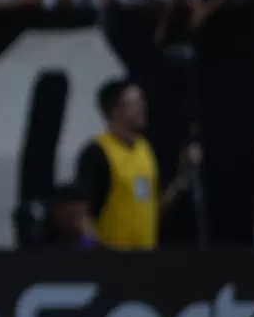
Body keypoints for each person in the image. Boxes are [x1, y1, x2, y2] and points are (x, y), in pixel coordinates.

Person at [73, 80, 201, 251]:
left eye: (142, 102)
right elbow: (80, 217)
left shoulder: (145, 150)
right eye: (135, 104)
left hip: (145, 262)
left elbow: (152, 210)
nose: (143, 108)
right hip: (111, 262)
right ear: (115, 111)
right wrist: (96, 252)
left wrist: (182, 177)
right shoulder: (97, 152)